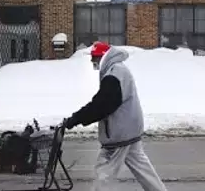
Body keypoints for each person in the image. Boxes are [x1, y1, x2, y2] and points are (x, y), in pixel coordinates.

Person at [64, 41, 167, 191]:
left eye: (94, 58)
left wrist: (76, 118)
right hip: (129, 130)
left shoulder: (114, 74)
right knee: (144, 171)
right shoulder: (117, 70)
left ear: (102, 57)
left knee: (104, 172)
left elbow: (101, 105)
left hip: (119, 133)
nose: (92, 62)